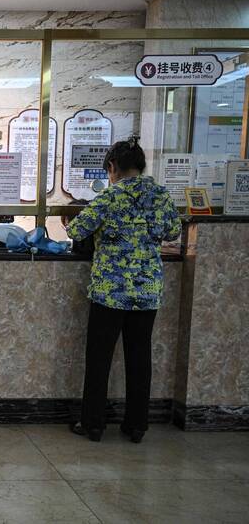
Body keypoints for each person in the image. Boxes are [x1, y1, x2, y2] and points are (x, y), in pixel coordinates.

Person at [64, 136, 181, 443]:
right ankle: (137, 425)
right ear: (141, 166)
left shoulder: (109, 197)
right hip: (147, 290)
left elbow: (77, 229)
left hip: (109, 290)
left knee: (99, 358)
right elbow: (173, 231)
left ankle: (93, 424)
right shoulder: (160, 195)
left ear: (113, 166)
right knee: (140, 357)